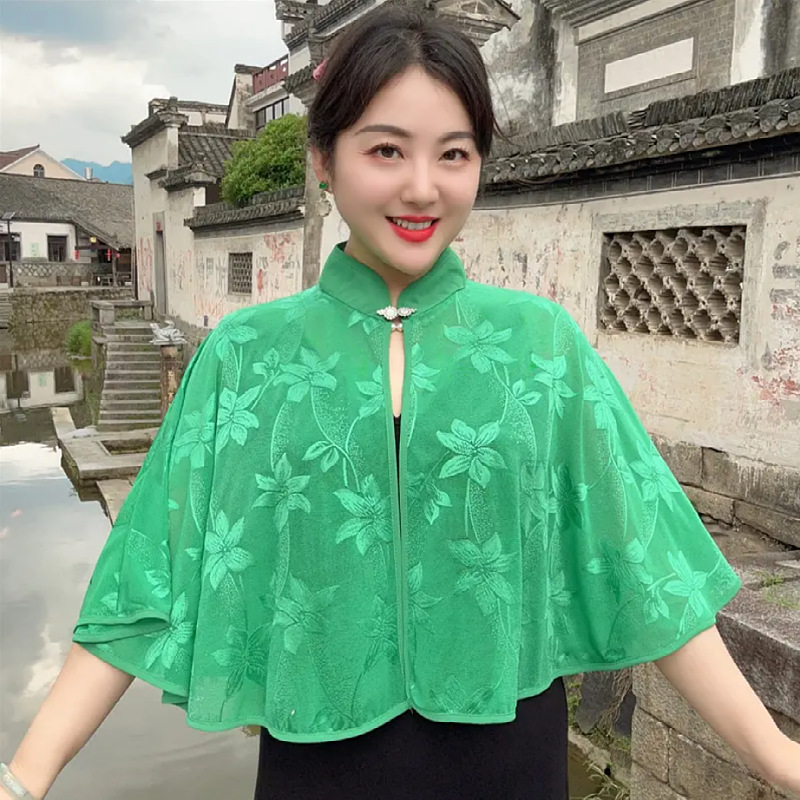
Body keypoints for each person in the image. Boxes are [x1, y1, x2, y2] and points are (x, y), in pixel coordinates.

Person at [3, 6, 799, 800]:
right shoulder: (246, 356)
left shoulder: (541, 348)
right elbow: (143, 576)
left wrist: (779, 759)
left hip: (510, 764)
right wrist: (25, 776)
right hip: (317, 767)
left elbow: (652, 569)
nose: (423, 187)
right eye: (386, 149)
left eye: (454, 153)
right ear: (323, 157)